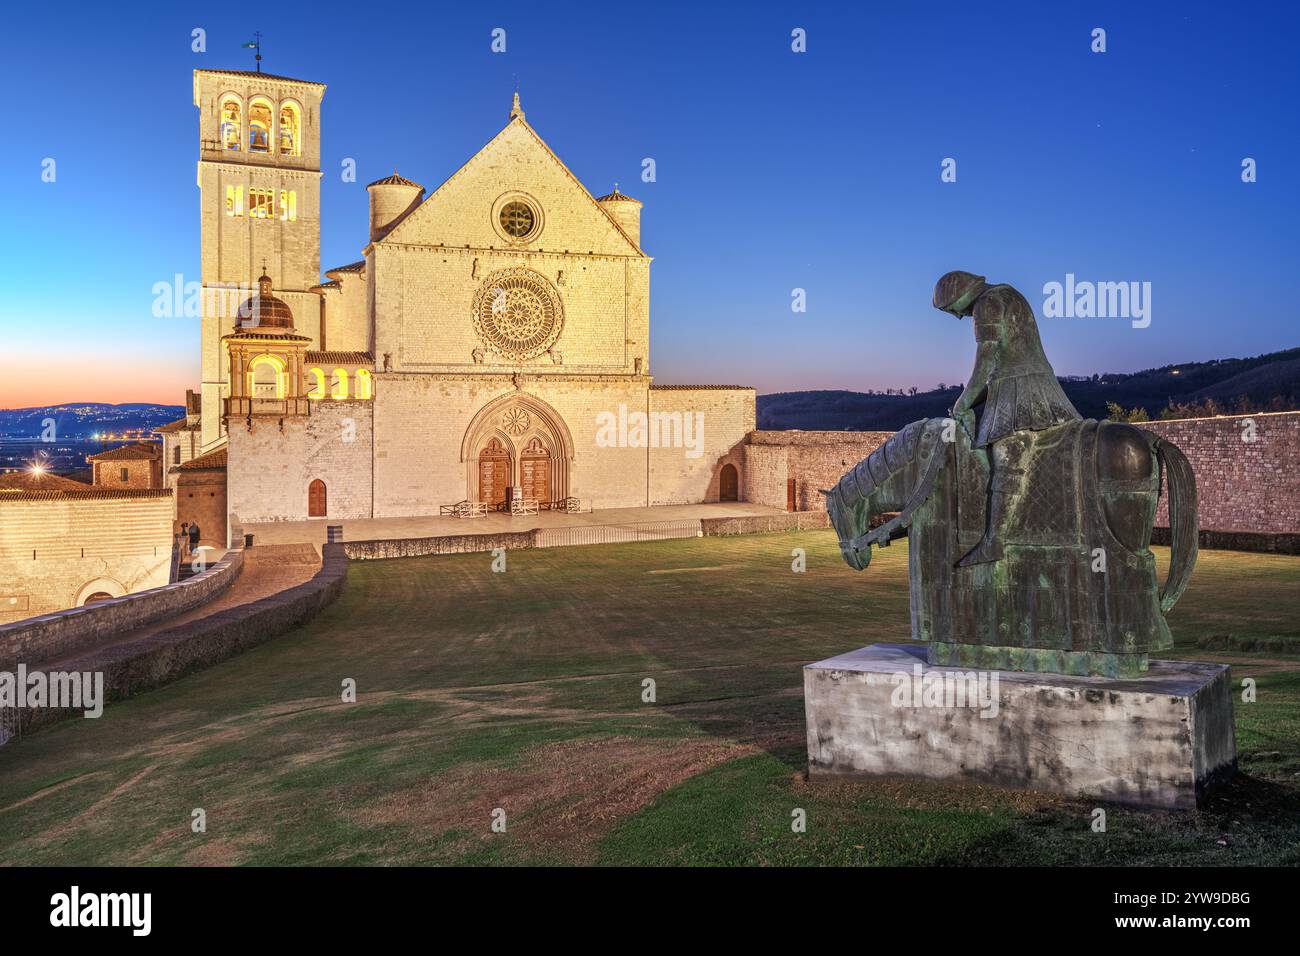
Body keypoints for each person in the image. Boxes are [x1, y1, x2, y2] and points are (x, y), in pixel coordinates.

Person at [932, 271, 1081, 566]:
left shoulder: (987, 304)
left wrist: (962, 403)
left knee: (1006, 451)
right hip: (1021, 382)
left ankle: (995, 541)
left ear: (961, 296)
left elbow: (986, 363)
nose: (959, 316)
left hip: (1021, 387)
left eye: (953, 310)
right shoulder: (1007, 294)